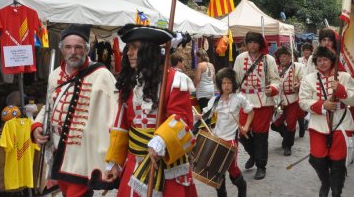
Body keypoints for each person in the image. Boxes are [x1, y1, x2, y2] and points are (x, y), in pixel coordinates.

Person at [104, 24, 197, 197]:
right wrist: (115, 161)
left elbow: (183, 118)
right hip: (134, 162)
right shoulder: (129, 81)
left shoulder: (175, 79)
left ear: (149, 51)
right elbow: (121, 125)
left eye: (135, 48)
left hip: (166, 162)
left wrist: (162, 139)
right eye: (129, 48)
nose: (129, 53)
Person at [31, 24, 118, 196]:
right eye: (68, 47)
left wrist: (113, 157)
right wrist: (37, 127)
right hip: (57, 151)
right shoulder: (55, 75)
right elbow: (48, 106)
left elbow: (115, 116)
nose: (73, 52)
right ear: (62, 49)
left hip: (83, 155)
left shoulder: (101, 75)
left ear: (87, 50)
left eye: (78, 47)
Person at [299, 46, 354, 197]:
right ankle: (325, 182)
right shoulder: (309, 79)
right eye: (319, 60)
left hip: (341, 123)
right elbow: (303, 101)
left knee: (338, 162)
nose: (322, 63)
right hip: (318, 124)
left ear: (332, 61)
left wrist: (341, 91)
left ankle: (336, 190)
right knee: (317, 159)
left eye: (325, 59)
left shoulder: (344, 77)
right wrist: (322, 105)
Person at [196, 68, 254, 197]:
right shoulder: (216, 100)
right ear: (220, 84)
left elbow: (250, 112)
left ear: (233, 83)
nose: (226, 86)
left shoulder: (239, 98)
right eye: (223, 83)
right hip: (217, 139)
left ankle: (242, 189)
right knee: (217, 170)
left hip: (231, 141)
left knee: (232, 169)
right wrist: (198, 116)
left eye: (229, 83)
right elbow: (205, 114)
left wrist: (246, 126)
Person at [233, 31, 280, 180]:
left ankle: (261, 166)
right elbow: (235, 78)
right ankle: (254, 155)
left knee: (260, 136)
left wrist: (272, 89)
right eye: (250, 42)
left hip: (263, 101)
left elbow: (276, 80)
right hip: (244, 99)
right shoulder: (240, 58)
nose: (252, 45)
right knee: (242, 133)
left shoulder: (269, 59)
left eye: (255, 42)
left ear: (260, 44)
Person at [270, 46, 304, 156]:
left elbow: (305, 81)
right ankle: (286, 136)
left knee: (291, 123)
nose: (282, 58)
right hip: (279, 100)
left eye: (284, 56)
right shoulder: (275, 68)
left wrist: (298, 84)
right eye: (280, 56)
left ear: (290, 57)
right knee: (275, 123)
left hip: (292, 99)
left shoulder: (297, 67)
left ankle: (288, 145)